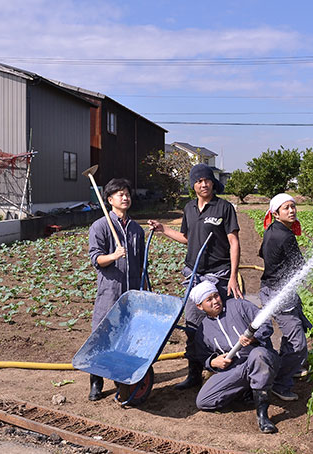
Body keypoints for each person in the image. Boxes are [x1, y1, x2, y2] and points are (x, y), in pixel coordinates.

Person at [148, 163, 243, 390]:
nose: (203, 184)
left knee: (223, 321)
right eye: (198, 181)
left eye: (207, 180)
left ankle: (229, 373)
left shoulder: (223, 207)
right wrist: (163, 229)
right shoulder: (189, 208)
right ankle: (194, 375)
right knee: (192, 324)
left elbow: (233, 242)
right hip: (194, 276)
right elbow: (187, 238)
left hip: (218, 274)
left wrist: (232, 276)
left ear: (213, 182)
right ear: (193, 185)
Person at [191, 281, 280, 434]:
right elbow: (202, 356)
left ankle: (262, 415)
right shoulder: (203, 330)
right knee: (204, 401)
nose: (215, 302)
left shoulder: (238, 306)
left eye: (216, 296)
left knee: (258, 354)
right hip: (236, 369)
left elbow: (265, 323)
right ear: (200, 306)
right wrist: (213, 362)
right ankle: (246, 390)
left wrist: (254, 338)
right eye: (209, 300)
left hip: (259, 360)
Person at [88, 178, 145, 401]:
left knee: (127, 336)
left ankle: (122, 379)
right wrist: (113, 256)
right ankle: (96, 382)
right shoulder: (100, 226)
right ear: (110, 200)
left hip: (131, 292)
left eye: (127, 194)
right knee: (101, 336)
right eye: (120, 194)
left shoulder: (136, 230)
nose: (125, 197)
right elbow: (96, 259)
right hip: (110, 291)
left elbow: (142, 265)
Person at [259, 193, 312, 402]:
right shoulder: (286, 236)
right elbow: (299, 266)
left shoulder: (271, 230)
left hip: (270, 289)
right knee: (298, 342)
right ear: (276, 213)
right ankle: (281, 384)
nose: (292, 211)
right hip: (279, 295)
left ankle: (293, 367)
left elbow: (263, 255)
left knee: (293, 328)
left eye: (293, 206)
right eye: (286, 208)